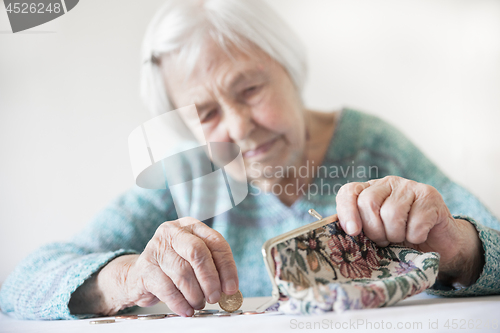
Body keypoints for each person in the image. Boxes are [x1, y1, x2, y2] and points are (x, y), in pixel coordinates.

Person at [1, 0, 499, 320]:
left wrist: (456, 245)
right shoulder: (189, 177)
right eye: (206, 113)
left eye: (251, 88)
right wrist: (128, 277)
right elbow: (21, 284)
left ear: (290, 68)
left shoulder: (372, 145)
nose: (238, 127)